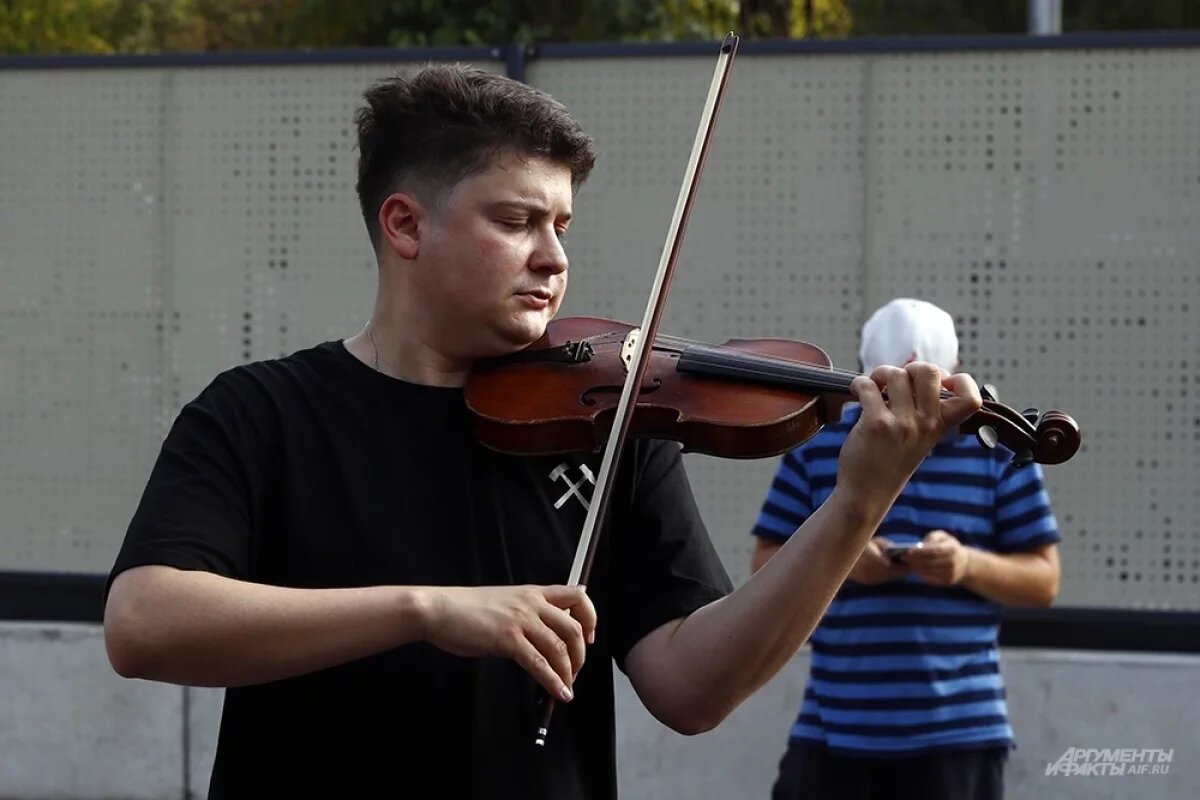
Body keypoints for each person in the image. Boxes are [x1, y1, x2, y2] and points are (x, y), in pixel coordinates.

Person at [102, 66, 984, 799]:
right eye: (516, 221)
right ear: (405, 224)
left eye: (561, 225)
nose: (554, 258)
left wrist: (857, 503)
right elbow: (145, 622)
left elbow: (691, 687)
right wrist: (425, 610)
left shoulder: (613, 420)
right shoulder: (261, 414)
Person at [750, 297, 1062, 800]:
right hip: (835, 726)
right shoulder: (818, 446)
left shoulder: (999, 450)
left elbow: (1044, 580)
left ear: (956, 377)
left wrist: (965, 564)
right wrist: (845, 562)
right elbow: (764, 563)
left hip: (958, 732)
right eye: (892, 393)